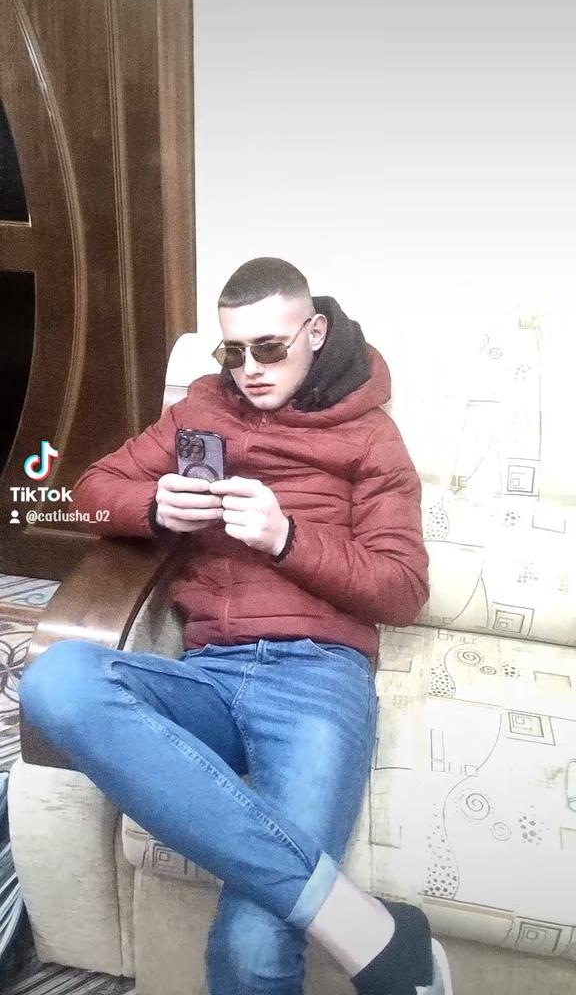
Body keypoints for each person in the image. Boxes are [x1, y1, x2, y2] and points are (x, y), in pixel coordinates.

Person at [19, 258, 452, 995]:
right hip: (209, 671)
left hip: (318, 678)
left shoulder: (370, 436)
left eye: (270, 348)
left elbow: (403, 589)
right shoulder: (200, 408)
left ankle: (337, 919)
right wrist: (154, 506)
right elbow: (90, 489)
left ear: (315, 331)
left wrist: (288, 538)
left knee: (252, 945)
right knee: (56, 679)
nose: (249, 369)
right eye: (234, 351)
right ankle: (364, 926)